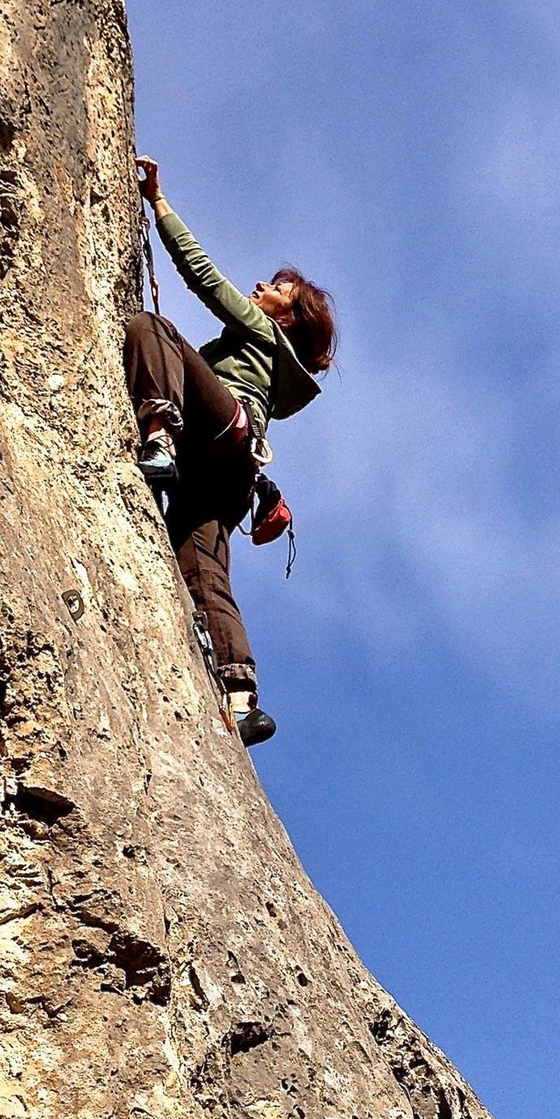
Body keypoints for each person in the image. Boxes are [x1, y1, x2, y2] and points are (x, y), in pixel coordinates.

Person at [124, 156, 337, 747]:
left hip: (219, 432)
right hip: (229, 476)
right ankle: (241, 698)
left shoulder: (264, 334)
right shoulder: (273, 366)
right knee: (203, 568)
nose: (261, 288)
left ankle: (159, 431)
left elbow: (204, 278)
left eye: (276, 290)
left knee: (152, 329)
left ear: (287, 318)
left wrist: (158, 203)